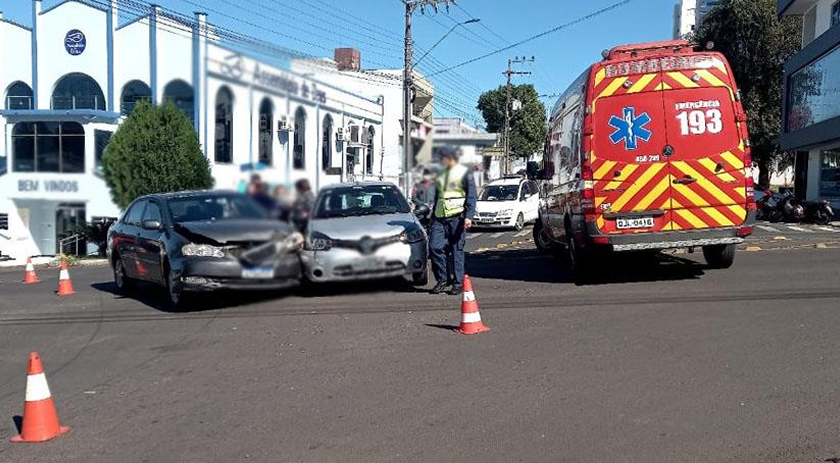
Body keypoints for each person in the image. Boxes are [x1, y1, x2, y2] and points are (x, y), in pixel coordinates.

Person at [429, 146, 476, 295]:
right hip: (439, 217)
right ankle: (442, 280)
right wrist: (432, 217)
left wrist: (469, 216)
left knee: (457, 251)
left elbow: (471, 196)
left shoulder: (464, 173)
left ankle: (457, 283)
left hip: (457, 217)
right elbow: (438, 196)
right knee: (434, 247)